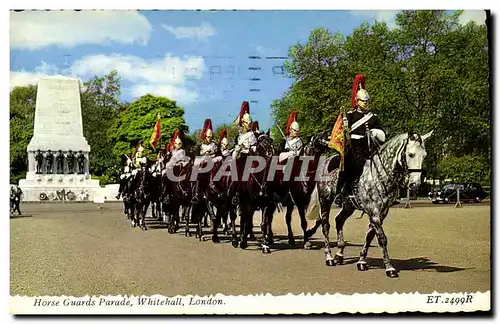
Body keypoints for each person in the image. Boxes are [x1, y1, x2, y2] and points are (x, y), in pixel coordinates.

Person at [334, 74, 386, 206]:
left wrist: (376, 133)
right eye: (363, 101)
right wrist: (345, 131)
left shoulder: (373, 117)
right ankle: (341, 192)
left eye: (368, 101)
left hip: (370, 148)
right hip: (354, 147)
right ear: (357, 101)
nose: (366, 103)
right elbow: (340, 133)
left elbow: (382, 132)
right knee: (348, 165)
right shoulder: (350, 116)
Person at [229, 101, 258, 204]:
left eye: (250, 122)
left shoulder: (252, 135)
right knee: (238, 173)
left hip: (251, 157)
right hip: (241, 158)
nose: (249, 124)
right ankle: (236, 194)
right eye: (247, 123)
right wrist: (238, 149)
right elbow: (236, 148)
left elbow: (255, 146)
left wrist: (251, 149)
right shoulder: (239, 136)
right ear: (243, 123)